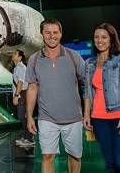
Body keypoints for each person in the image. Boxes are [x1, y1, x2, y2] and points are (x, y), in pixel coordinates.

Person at [25, 18, 86, 173]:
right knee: (47, 156)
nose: (52, 36)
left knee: (75, 156)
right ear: (41, 35)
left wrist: (88, 113)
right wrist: (30, 116)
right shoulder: (34, 60)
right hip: (47, 118)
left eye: (55, 32)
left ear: (60, 34)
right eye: (48, 32)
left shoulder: (73, 57)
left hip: (73, 117)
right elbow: (32, 88)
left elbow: (89, 84)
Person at [83, 23, 120, 173]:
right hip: (98, 119)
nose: (99, 40)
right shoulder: (89, 64)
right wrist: (86, 114)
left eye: (104, 37)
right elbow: (87, 92)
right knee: (110, 164)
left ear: (111, 39)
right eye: (96, 37)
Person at [11, 50, 34, 147]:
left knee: (22, 116)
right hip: (21, 96)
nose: (13, 55)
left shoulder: (21, 67)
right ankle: (26, 136)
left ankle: (30, 138)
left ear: (20, 57)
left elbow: (20, 82)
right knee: (22, 116)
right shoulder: (17, 67)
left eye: (15, 54)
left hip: (21, 96)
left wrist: (16, 96)